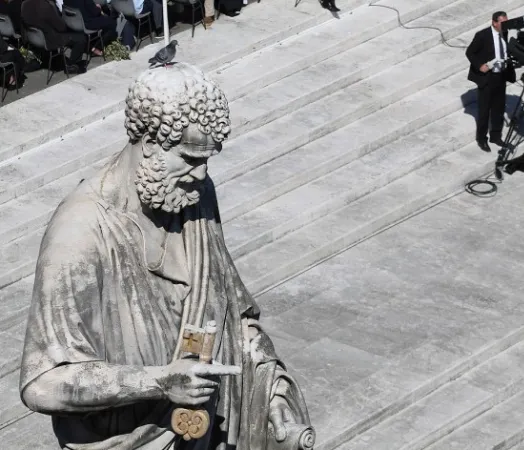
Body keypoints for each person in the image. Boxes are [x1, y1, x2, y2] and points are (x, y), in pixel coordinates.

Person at [19, 63, 313, 450]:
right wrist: (159, 380)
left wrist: (271, 391)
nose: (201, 173)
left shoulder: (193, 197)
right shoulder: (79, 233)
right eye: (191, 158)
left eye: (209, 159)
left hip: (202, 431)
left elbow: (233, 317)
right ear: (149, 143)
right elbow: (43, 385)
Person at [465, 11, 516, 152]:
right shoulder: (482, 35)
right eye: (503, 22)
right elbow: (470, 52)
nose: (506, 25)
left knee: (499, 108)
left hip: (500, 76)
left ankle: (496, 136)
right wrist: (480, 65)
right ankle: (482, 139)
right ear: (494, 22)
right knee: (484, 110)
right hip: (487, 77)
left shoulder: (504, 33)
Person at [21, 0, 88, 73]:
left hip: (34, 38)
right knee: (80, 38)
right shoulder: (44, 5)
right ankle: (72, 65)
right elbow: (61, 27)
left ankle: (52, 60)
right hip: (50, 39)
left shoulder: (24, 4)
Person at [64, 0, 134, 52]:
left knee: (108, 19)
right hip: (88, 23)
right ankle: (103, 45)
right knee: (113, 22)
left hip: (75, 23)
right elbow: (95, 12)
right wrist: (98, 8)